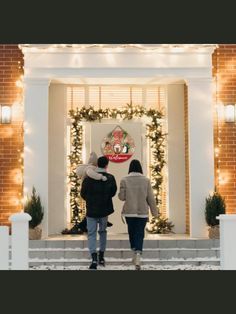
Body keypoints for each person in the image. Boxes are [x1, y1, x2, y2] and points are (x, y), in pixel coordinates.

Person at [118, 159, 159, 270]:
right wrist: (155, 212)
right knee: (140, 233)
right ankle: (138, 254)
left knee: (132, 233)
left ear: (130, 168)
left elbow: (122, 197)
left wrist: (121, 192)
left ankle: (134, 252)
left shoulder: (124, 180)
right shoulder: (146, 180)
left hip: (129, 212)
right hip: (142, 212)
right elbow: (150, 198)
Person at [80, 156, 117, 270]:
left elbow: (83, 194)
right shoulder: (110, 178)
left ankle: (94, 258)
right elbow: (113, 192)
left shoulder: (87, 179)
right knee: (102, 232)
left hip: (91, 210)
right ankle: (101, 256)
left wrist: (91, 200)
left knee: (91, 234)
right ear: (106, 165)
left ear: (96, 165)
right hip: (104, 210)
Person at [76, 152, 113, 232]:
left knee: (91, 232)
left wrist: (88, 198)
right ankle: (82, 224)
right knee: (101, 231)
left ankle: (83, 224)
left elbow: (83, 194)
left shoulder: (90, 170)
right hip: (100, 206)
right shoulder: (91, 169)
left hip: (91, 203)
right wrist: (101, 177)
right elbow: (92, 174)